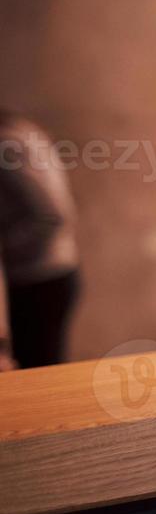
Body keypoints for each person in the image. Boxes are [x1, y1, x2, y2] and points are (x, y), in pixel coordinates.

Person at [0, 112, 81, 370]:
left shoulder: (7, 143)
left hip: (39, 276)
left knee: (39, 375)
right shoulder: (22, 131)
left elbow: (52, 216)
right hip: (48, 271)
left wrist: (7, 249)